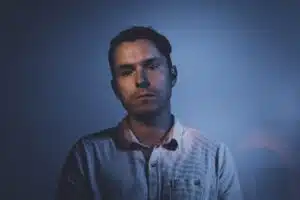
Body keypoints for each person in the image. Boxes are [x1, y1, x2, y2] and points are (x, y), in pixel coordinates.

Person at [56, 26, 243, 200]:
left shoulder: (214, 155)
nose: (141, 81)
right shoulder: (88, 155)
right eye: (127, 71)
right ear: (115, 87)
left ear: (173, 75)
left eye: (152, 67)